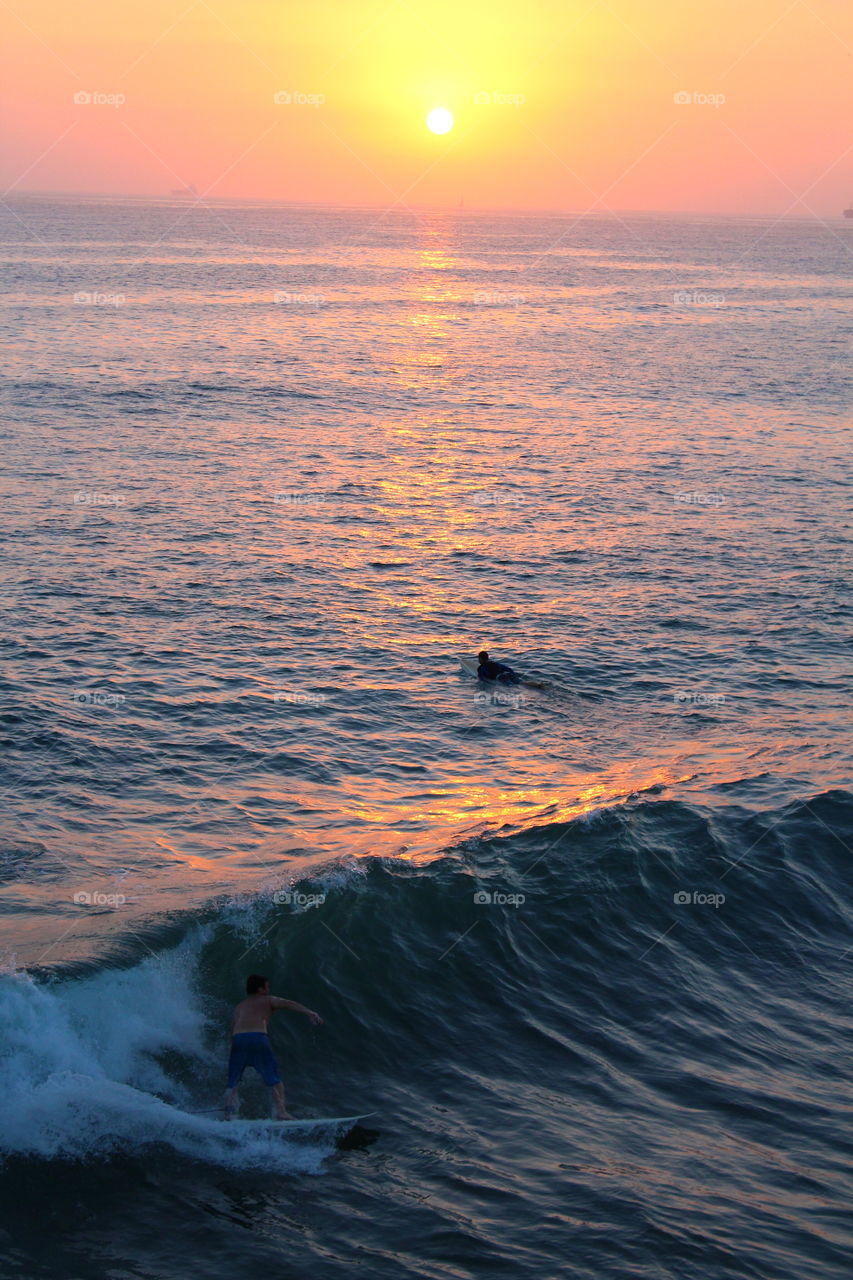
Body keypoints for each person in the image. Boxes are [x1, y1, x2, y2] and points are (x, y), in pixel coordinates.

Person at [224, 974, 323, 1120]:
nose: (269, 989)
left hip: (238, 1040)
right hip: (257, 1038)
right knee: (274, 1079)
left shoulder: (239, 1006)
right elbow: (288, 1003)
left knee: (233, 1081)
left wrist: (234, 1047)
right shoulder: (268, 1000)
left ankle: (229, 1113)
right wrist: (309, 1012)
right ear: (260, 988)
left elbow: (232, 1029)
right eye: (267, 986)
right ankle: (281, 1112)